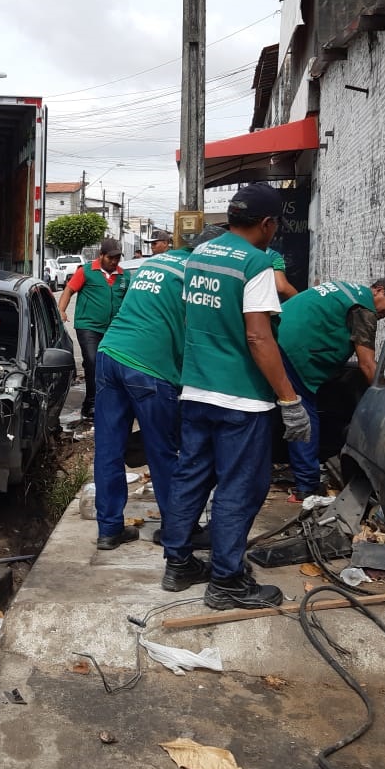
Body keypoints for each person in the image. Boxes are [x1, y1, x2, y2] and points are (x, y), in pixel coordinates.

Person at [160, 184, 311, 609]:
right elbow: (259, 337)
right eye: (274, 225)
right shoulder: (256, 263)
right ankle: (226, 581)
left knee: (191, 476)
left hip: (196, 389)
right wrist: (289, 400)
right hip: (242, 398)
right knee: (239, 488)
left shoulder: (199, 256)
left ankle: (178, 564)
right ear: (267, 224)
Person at [91, 230, 202, 550]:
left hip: (109, 354)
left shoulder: (156, 263)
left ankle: (109, 530)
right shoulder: (196, 274)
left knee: (109, 448)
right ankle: (175, 530)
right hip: (148, 368)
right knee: (162, 451)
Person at [276, 274, 385, 502]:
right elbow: (368, 365)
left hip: (278, 335)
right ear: (378, 290)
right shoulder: (364, 308)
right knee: (303, 413)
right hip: (294, 351)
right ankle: (306, 487)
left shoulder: (349, 291)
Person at [58, 239, 129, 419]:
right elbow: (68, 290)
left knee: (111, 366)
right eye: (111, 258)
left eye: (117, 258)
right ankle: (90, 404)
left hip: (114, 329)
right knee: (92, 361)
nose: (114, 262)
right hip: (88, 326)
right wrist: (61, 310)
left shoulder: (124, 276)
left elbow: (131, 300)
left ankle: (111, 402)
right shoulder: (87, 272)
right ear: (101, 256)